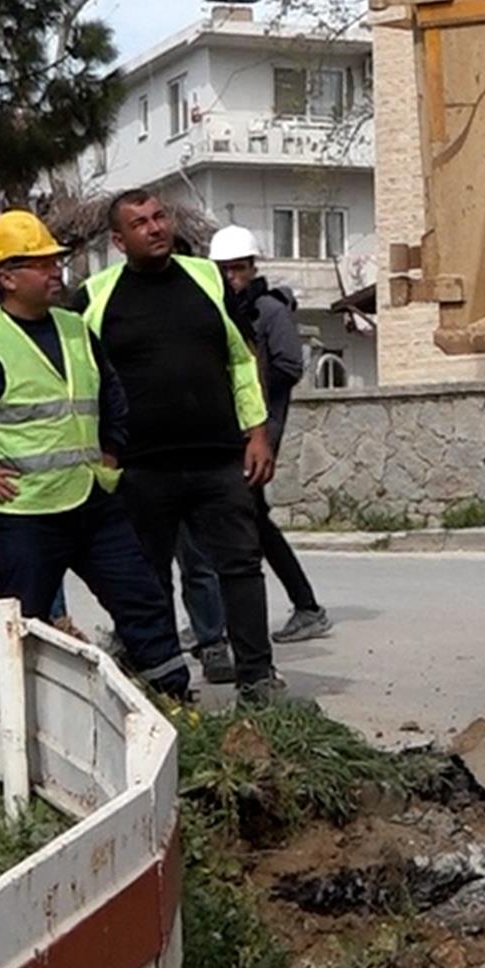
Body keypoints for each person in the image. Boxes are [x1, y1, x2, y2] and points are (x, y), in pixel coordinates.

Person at [0, 211, 188, 697]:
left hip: (91, 502)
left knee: (143, 601)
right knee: (25, 623)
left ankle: (175, 699)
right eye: (40, 264)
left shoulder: (75, 328)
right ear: (6, 277)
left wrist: (111, 451)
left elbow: (111, 394)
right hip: (25, 513)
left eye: (54, 261)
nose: (54, 271)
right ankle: (18, 718)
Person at [82, 188, 295, 704]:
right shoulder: (95, 295)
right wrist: (102, 453)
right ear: (118, 239)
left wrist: (258, 432)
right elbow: (86, 381)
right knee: (146, 577)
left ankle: (257, 678)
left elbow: (243, 359)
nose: (155, 228)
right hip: (139, 466)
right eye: (140, 223)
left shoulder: (206, 279)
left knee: (240, 566)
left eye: (160, 217)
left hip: (219, 457)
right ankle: (160, 686)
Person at [208, 224, 332, 642]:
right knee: (248, 522)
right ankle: (225, 617)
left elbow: (289, 368)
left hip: (261, 429)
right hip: (226, 428)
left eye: (238, 269)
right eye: (224, 270)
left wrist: (252, 394)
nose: (231, 278)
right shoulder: (218, 309)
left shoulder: (269, 311)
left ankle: (304, 608)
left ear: (252, 267)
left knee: (246, 522)